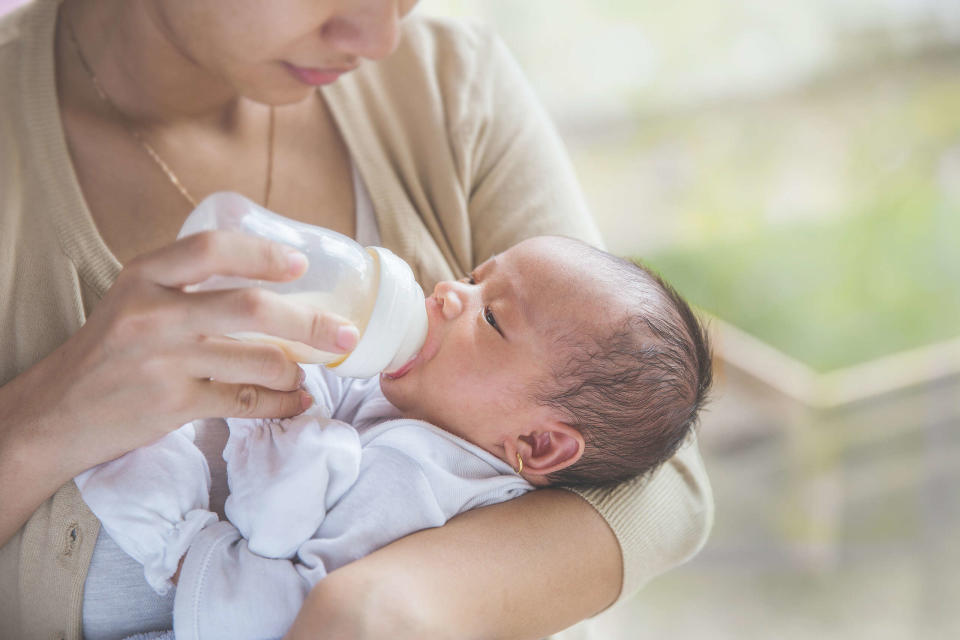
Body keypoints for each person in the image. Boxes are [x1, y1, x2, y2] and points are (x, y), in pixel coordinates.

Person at [0, 1, 714, 639]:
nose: (376, 37)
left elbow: (659, 480)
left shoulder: (447, 82)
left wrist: (378, 604)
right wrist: (48, 417)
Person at [74, 235, 713, 639]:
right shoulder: (420, 398)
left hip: (237, 601)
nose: (449, 293)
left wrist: (286, 437)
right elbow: (327, 393)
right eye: (472, 275)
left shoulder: (425, 480)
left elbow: (286, 544)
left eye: (491, 316)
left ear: (540, 445)